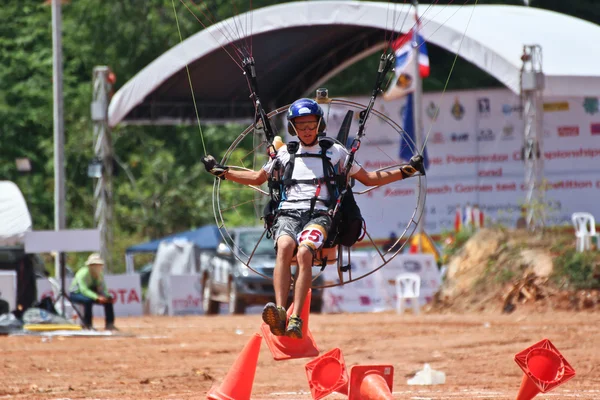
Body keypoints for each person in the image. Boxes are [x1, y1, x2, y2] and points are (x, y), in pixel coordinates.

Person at [202, 98, 423, 339]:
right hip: (287, 213)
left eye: (311, 125)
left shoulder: (335, 151)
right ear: (292, 129)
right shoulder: (285, 153)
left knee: (305, 252)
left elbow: (369, 179)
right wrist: (221, 172)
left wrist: (406, 170)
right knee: (284, 246)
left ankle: (297, 317)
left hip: (321, 215)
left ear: (320, 124)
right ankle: (280, 311)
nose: (307, 131)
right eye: (301, 126)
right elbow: (256, 178)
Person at [69, 253, 117, 331]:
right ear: (90, 265)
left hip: (90, 293)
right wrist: (97, 297)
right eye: (95, 264)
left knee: (108, 301)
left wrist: (106, 296)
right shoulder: (83, 273)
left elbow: (103, 287)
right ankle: (88, 324)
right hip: (76, 293)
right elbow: (84, 290)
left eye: (99, 264)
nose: (98, 267)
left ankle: (110, 324)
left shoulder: (100, 274)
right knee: (88, 301)